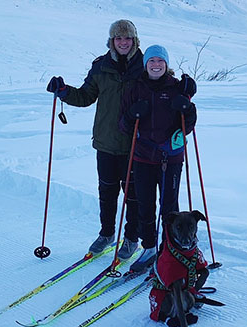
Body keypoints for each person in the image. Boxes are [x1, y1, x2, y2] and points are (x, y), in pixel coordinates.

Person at [46, 19, 143, 257]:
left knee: (134, 196)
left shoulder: (144, 65)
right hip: (106, 142)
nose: (123, 42)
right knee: (107, 193)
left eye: (127, 38)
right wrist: (64, 91)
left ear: (134, 40)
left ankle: (131, 238)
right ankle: (107, 234)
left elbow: (162, 86)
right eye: (118, 38)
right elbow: (86, 96)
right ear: (111, 41)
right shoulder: (100, 66)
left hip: (136, 144)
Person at [120, 44, 197, 272]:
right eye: (151, 61)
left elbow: (188, 126)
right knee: (145, 205)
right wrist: (133, 114)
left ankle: (170, 249)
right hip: (143, 156)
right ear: (146, 64)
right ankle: (150, 248)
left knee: (169, 207)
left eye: (160, 61)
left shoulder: (176, 88)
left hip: (170, 158)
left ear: (166, 64)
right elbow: (123, 125)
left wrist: (187, 107)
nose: (156, 65)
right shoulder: (135, 88)